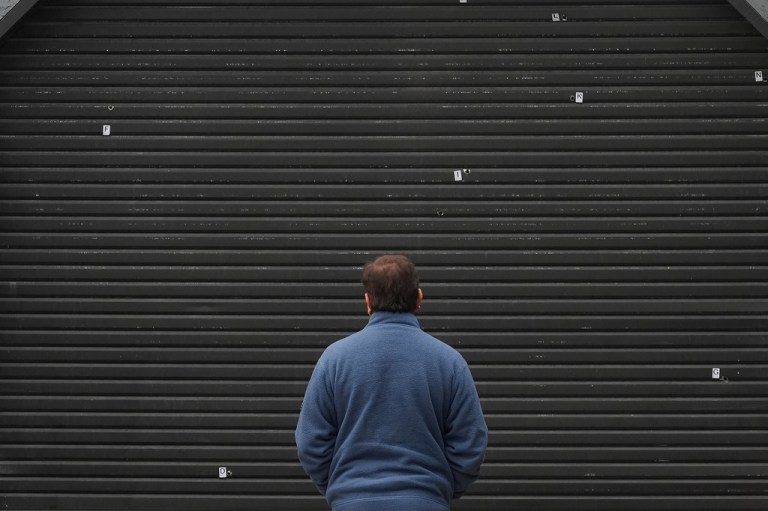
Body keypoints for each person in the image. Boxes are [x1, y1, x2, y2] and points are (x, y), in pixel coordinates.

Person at [295, 254, 488, 511]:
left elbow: (310, 443)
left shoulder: (334, 359)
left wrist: (344, 489)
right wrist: (436, 491)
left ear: (368, 302)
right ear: (419, 298)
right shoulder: (449, 361)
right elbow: (471, 443)